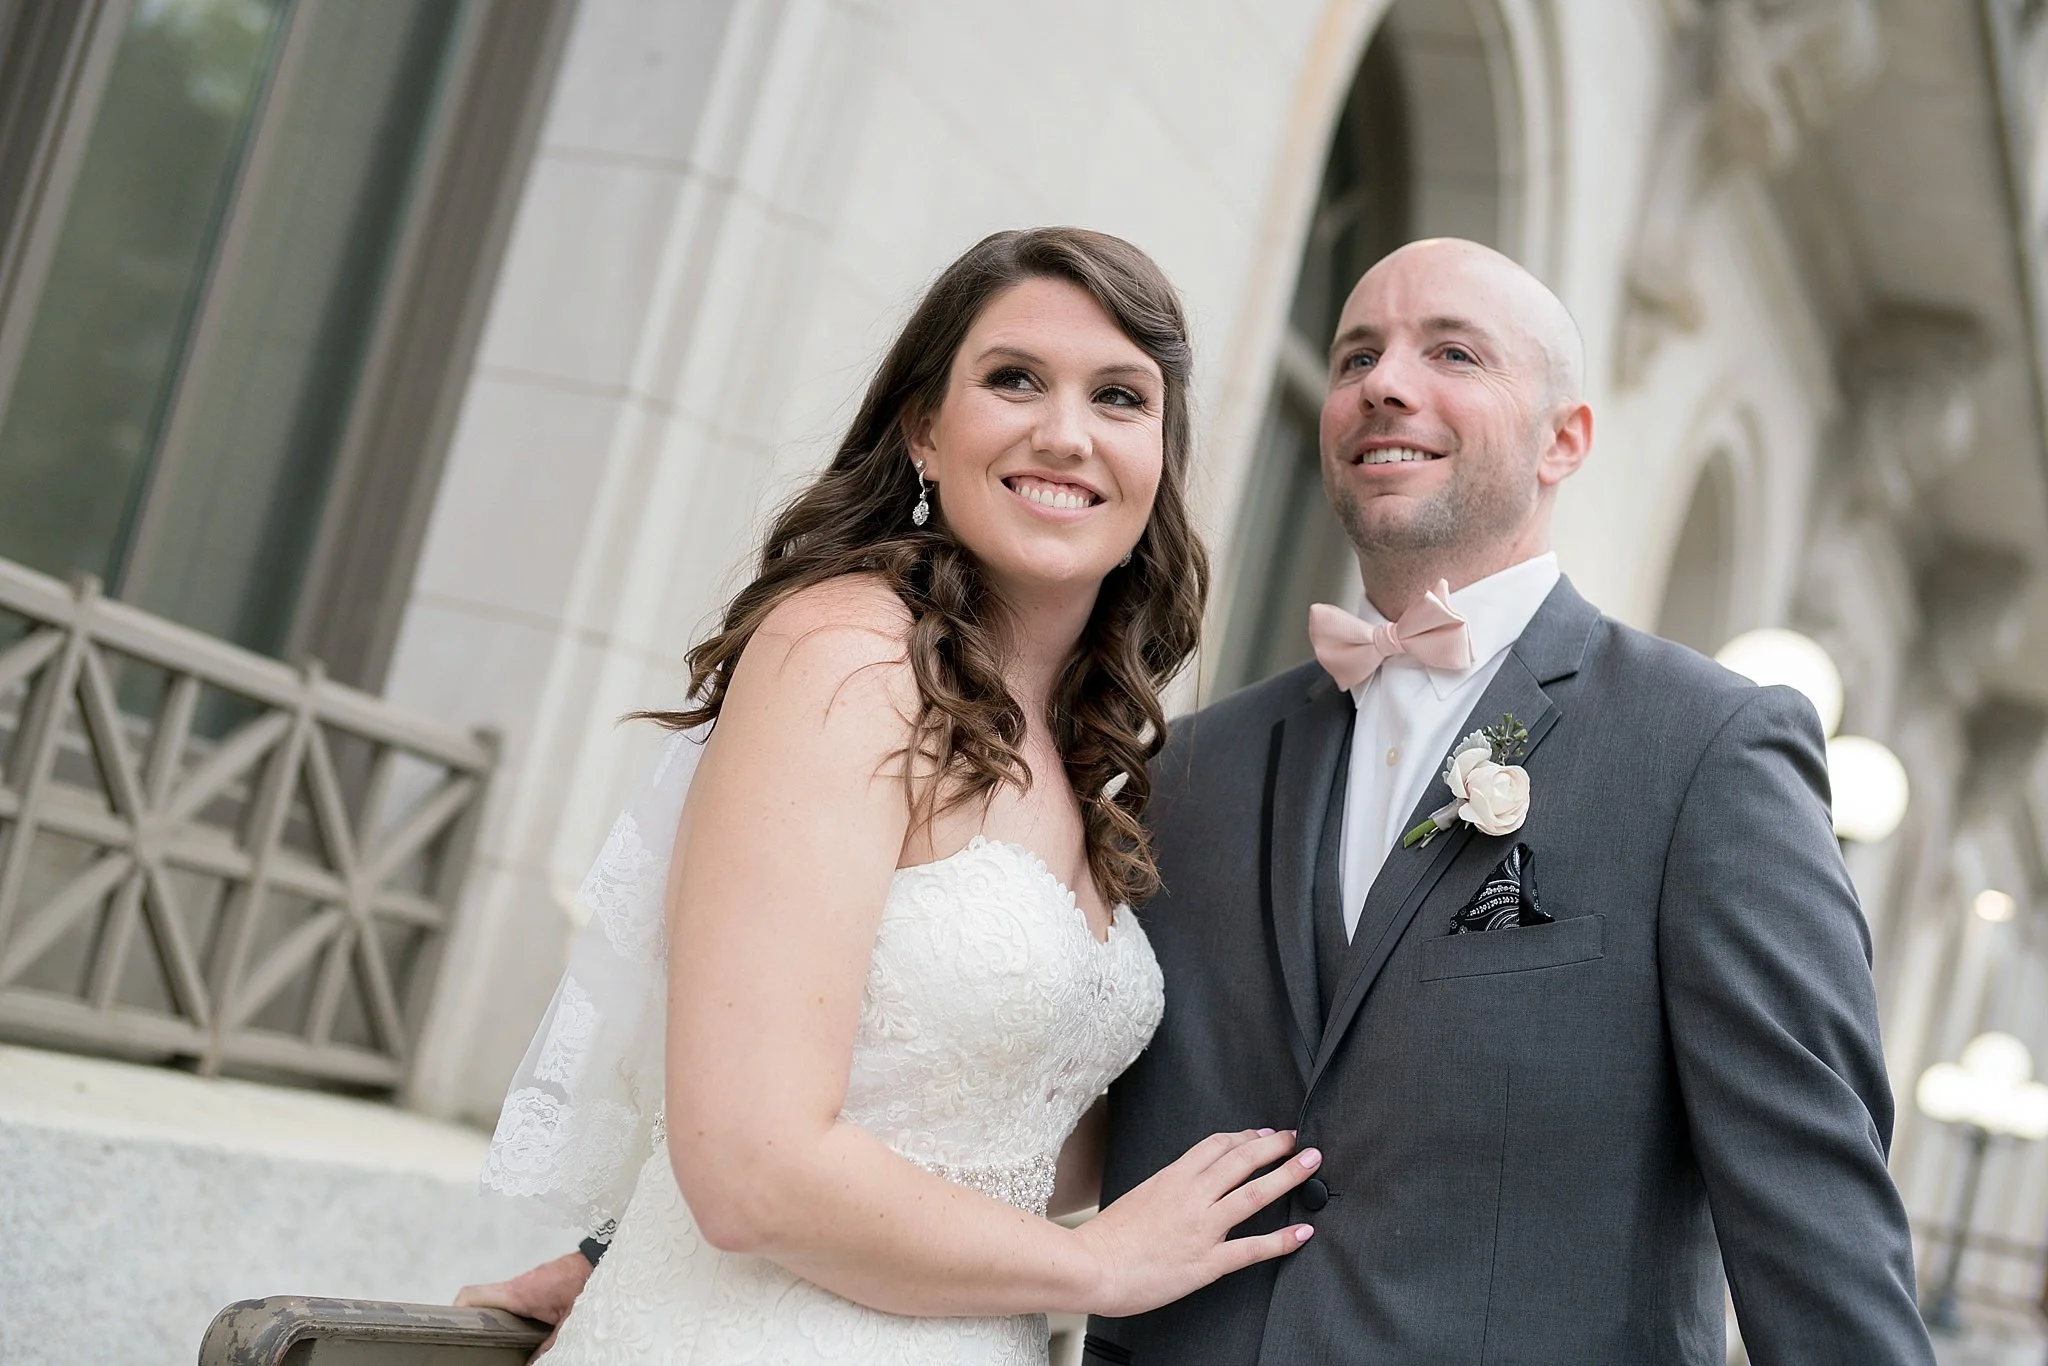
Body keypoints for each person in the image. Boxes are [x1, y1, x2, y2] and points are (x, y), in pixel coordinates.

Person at [459, 227, 1320, 1363]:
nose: (1066, 434)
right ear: (923, 429)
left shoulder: (1080, 752)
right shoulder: (846, 657)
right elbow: (750, 1169)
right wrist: (1094, 1267)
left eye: (1119, 396)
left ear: (1158, 457)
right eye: (1014, 379)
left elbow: (991, 1128)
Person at [1080, 238, 1935, 1364]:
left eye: (1452, 353)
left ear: (1561, 440)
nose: (1384, 383)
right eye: (1354, 357)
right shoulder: (1193, 768)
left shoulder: (1706, 749)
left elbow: (1813, 1215)